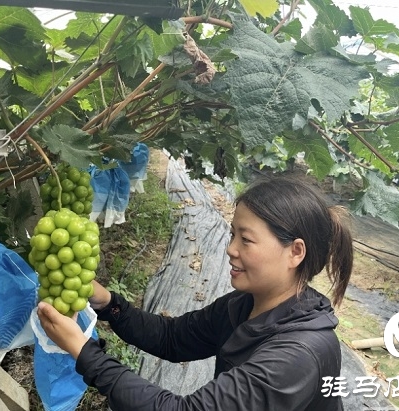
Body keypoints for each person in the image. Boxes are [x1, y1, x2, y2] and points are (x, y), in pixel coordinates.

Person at [37, 172, 353, 411]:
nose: (230, 249)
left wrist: (85, 352)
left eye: (246, 239)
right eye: (232, 235)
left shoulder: (297, 356)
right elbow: (174, 338)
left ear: (295, 252)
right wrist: (109, 304)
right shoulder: (245, 306)